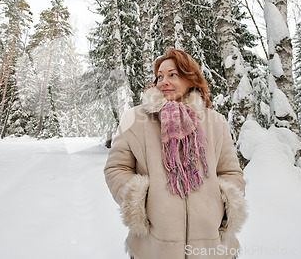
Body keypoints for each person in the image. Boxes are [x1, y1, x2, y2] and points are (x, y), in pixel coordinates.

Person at [104, 49, 247, 259]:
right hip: (154, 246)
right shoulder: (134, 118)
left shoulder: (215, 121)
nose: (164, 82)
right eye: (160, 76)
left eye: (173, 74)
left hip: (211, 245)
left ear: (191, 78)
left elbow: (231, 172)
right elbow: (116, 168)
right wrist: (141, 199)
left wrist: (222, 206)